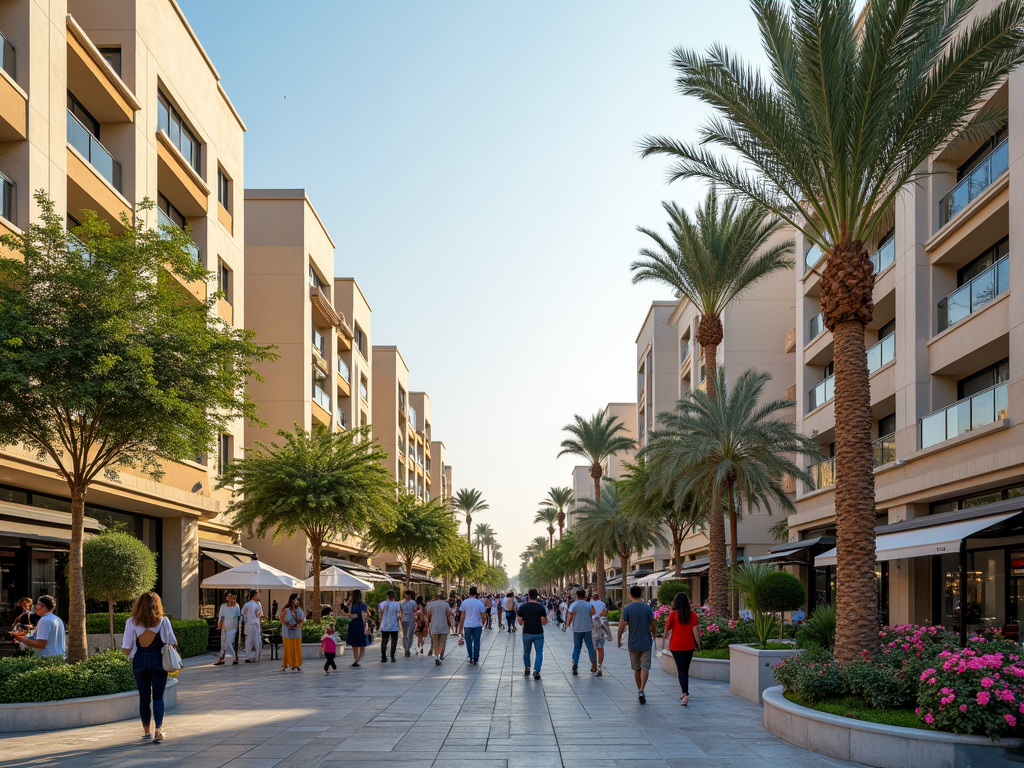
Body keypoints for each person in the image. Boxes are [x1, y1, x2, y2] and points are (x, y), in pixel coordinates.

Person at [121, 592, 177, 742]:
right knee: (158, 697)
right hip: (158, 660)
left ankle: (146, 732)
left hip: (139, 660)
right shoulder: (163, 621)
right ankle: (158, 730)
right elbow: (172, 642)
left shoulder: (131, 622)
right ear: (157, 605)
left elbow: (126, 647)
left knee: (144, 697)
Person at [617, 585, 657, 704]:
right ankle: (642, 689)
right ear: (641, 594)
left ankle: (640, 691)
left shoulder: (628, 609)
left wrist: (618, 640)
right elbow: (653, 622)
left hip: (633, 643)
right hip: (646, 642)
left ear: (630, 594)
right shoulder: (647, 608)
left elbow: (622, 625)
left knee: (636, 668)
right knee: (645, 667)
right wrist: (653, 633)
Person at [661, 591, 700, 706]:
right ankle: (685, 692)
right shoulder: (693, 615)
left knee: (680, 669)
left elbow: (666, 629)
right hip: (689, 645)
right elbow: (695, 631)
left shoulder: (672, 614)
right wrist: (699, 644)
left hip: (676, 645)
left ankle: (684, 693)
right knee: (685, 669)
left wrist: (663, 642)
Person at [564, 589, 597, 676]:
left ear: (576, 595)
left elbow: (570, 616)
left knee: (577, 647)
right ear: (584, 595)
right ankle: (594, 664)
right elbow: (593, 613)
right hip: (587, 629)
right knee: (590, 647)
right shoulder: (589, 605)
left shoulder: (573, 605)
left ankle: (575, 663)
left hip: (577, 629)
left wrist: (567, 625)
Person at [516, 588, 547, 679]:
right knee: (539, 652)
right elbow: (544, 621)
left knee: (526, 651)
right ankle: (536, 671)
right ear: (537, 596)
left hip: (527, 632)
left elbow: (519, 619)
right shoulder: (541, 607)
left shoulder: (523, 607)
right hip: (538, 633)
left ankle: (527, 668)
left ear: (528, 596)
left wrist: (522, 623)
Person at [457, 586, 487, 665]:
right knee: (477, 642)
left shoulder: (464, 602)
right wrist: (483, 623)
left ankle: (470, 656)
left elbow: (462, 616)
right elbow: (483, 615)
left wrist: (460, 627)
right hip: (477, 625)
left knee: (468, 642)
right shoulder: (480, 603)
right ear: (476, 593)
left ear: (469, 593)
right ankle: (476, 657)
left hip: (467, 625)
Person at [426, 592, 453, 665]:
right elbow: (449, 616)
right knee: (442, 643)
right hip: (444, 627)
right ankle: (440, 656)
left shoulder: (431, 604)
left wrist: (427, 624)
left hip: (434, 626)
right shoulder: (446, 605)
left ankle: (437, 655)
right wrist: (450, 624)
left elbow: (428, 616)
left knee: (435, 643)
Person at [214, 593, 241, 666]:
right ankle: (222, 658)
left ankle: (235, 657)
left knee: (230, 643)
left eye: (232, 598)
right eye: (229, 598)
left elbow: (239, 617)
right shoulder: (223, 606)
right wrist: (219, 625)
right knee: (223, 644)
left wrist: (239, 628)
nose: (231, 600)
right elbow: (221, 616)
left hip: (233, 628)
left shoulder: (236, 606)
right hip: (224, 628)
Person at [345, 589, 370, 667]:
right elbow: (364, 616)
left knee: (354, 644)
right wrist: (366, 626)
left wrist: (351, 615)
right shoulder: (363, 605)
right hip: (361, 625)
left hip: (352, 624)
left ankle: (356, 659)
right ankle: (357, 659)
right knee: (362, 644)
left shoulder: (350, 604)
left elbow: (347, 614)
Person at [281, 593, 305, 672]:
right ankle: (286, 664)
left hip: (296, 632)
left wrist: (299, 620)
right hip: (287, 632)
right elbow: (283, 619)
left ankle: (296, 664)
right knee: (288, 649)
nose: (297, 601)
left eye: (298, 599)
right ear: (292, 599)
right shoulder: (286, 609)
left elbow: (302, 619)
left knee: (296, 649)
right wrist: (289, 626)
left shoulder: (299, 609)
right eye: (296, 599)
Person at [590, 591, 610, 677]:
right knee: (601, 648)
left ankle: (593, 666)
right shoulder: (602, 603)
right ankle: (599, 667)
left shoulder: (589, 603)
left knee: (592, 648)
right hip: (601, 627)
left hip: (593, 627)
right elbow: (604, 612)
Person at [240, 589, 264, 663]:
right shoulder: (257, 605)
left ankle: (248, 656)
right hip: (255, 625)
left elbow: (243, 613)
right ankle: (257, 657)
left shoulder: (246, 604)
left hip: (248, 625)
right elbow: (259, 615)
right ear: (255, 595)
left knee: (248, 641)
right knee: (257, 641)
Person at [378, 590, 401, 663]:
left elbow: (379, 612)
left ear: (387, 596)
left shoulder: (382, 603)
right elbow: (399, 612)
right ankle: (392, 656)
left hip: (385, 625)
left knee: (384, 641)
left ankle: (384, 657)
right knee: (394, 640)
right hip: (394, 625)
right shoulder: (397, 604)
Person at [400, 590, 417, 657]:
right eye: (406, 595)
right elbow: (400, 611)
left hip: (411, 620)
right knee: (405, 635)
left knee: (410, 635)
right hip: (404, 620)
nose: (407, 596)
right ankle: (406, 649)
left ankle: (408, 647)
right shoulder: (401, 603)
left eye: (409, 595)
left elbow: (415, 610)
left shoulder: (413, 602)